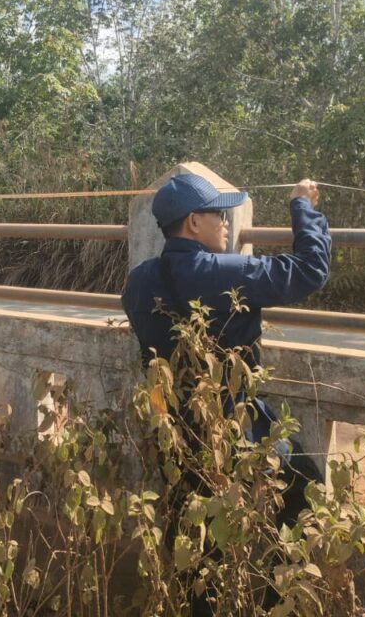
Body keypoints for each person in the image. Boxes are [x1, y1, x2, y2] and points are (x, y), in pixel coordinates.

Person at [121, 173, 330, 610]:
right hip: (236, 426)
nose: (228, 223)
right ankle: (277, 601)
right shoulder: (226, 273)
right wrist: (303, 207)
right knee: (307, 488)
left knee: (197, 541)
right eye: (219, 214)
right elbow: (310, 269)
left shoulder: (138, 282)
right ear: (194, 222)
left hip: (174, 429)